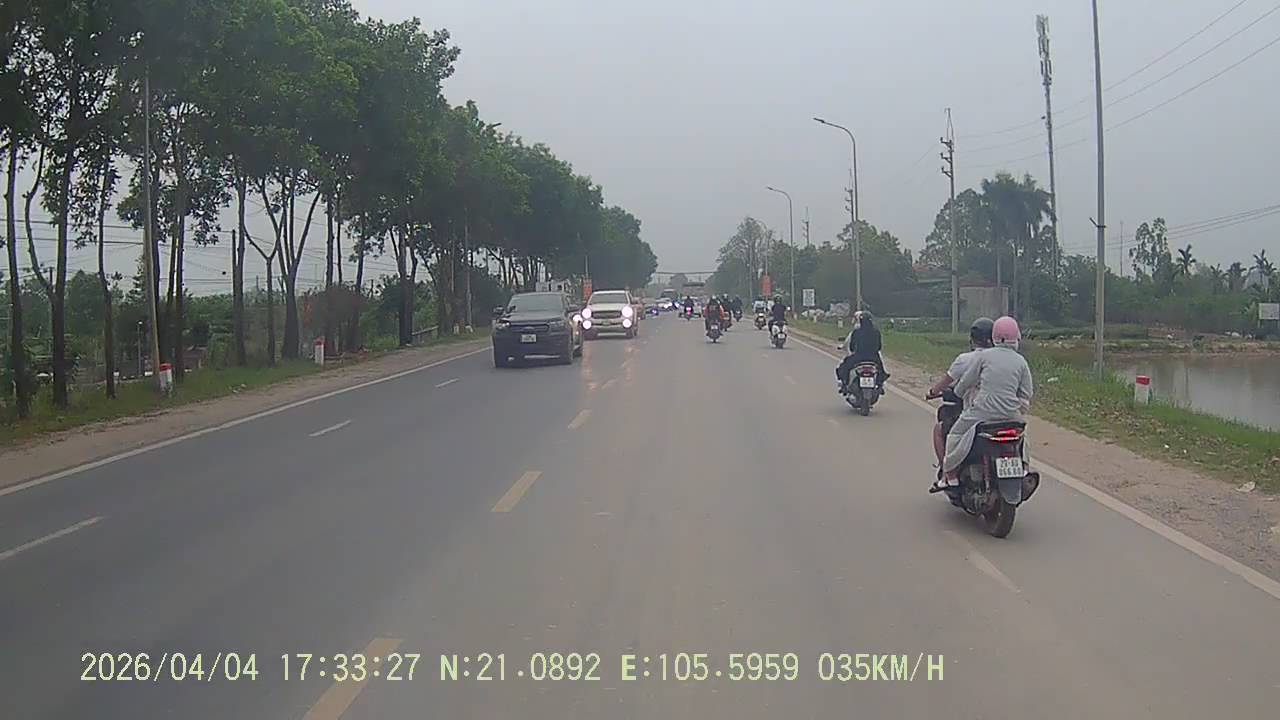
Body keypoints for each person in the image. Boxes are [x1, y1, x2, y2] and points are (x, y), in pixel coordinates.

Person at [936, 316, 1034, 490]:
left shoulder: (984, 357)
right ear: (1017, 337)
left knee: (955, 435)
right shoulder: (1021, 361)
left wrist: (958, 392)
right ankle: (1025, 468)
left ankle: (950, 476)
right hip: (1010, 413)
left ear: (994, 336)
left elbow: (967, 381)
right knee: (1022, 435)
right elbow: (1027, 392)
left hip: (982, 411)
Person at [925, 317, 994, 477]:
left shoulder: (966, 360)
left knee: (943, 431)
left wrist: (932, 392)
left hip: (974, 411)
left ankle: (949, 473)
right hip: (1003, 412)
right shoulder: (1003, 359)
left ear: (972, 339)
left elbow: (951, 383)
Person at [835, 310, 888, 391]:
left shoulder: (856, 332)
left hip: (859, 357)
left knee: (844, 367)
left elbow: (852, 347)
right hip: (873, 357)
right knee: (881, 370)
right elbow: (879, 347)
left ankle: (844, 384)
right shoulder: (876, 332)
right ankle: (880, 384)